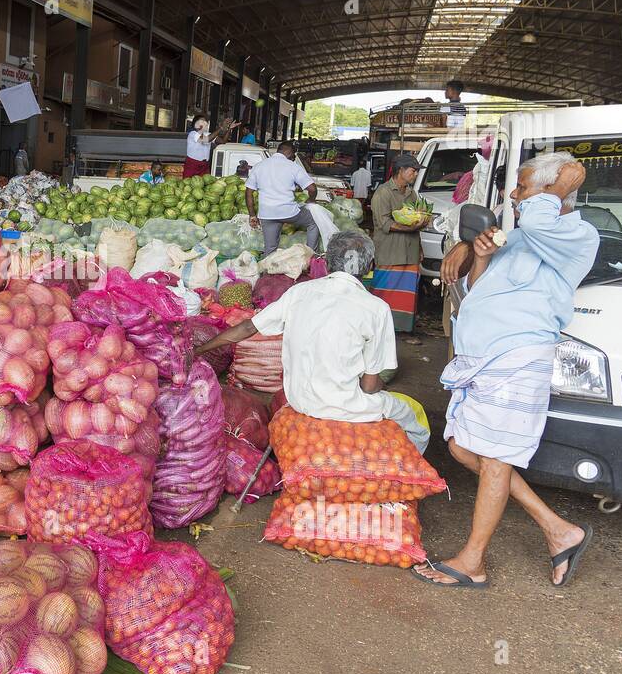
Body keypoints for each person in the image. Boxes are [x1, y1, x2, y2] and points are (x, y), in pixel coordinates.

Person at [414, 152, 598, 589]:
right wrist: (479, 257)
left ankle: (472, 561)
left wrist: (554, 189)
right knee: (461, 447)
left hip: (517, 358)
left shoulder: (575, 235)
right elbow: (479, 290)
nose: (512, 196)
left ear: (556, 193)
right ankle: (558, 529)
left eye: (521, 187)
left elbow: (537, 220)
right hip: (481, 362)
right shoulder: (516, 238)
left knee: (495, 459)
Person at [194, 231, 429, 451]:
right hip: (344, 406)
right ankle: (400, 466)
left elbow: (246, 327)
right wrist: (381, 388)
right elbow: (369, 386)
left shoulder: (299, 292)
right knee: (414, 423)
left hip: (299, 399)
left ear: (326, 263)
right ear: (370, 267)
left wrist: (200, 350)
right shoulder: (377, 309)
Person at [369, 152, 426, 333]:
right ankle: (381, 329)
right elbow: (383, 223)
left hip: (410, 252)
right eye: (413, 171)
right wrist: (408, 228)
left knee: (407, 296)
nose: (416, 174)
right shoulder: (383, 193)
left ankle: (403, 329)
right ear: (401, 171)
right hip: (390, 252)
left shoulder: (412, 194)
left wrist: (421, 247)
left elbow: (417, 218)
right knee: (386, 292)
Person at [245, 141, 319, 253]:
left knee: (270, 249)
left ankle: (267, 269)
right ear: (289, 153)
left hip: (267, 213)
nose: (294, 159)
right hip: (288, 212)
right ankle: (312, 255)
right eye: (294, 156)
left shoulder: (259, 166)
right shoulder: (293, 167)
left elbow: (248, 192)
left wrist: (252, 215)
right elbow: (312, 189)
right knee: (314, 221)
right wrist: (311, 200)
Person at [183, 113, 234, 178]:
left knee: (205, 185)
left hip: (205, 165)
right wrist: (221, 127)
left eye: (205, 122)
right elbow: (207, 140)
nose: (205, 123)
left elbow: (223, 142)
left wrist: (229, 129)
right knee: (188, 184)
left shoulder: (208, 134)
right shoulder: (193, 134)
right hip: (192, 165)